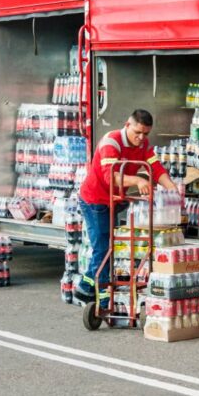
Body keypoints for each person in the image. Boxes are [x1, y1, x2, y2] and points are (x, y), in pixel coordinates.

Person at [73, 109, 177, 306]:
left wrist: (171, 189)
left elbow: (155, 167)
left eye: (145, 133)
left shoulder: (144, 144)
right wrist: (138, 180)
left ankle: (87, 286)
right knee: (103, 247)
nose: (141, 137)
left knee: (110, 247)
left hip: (115, 200)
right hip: (95, 200)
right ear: (127, 125)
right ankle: (102, 297)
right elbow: (109, 176)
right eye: (137, 132)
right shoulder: (110, 143)